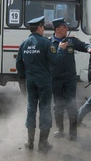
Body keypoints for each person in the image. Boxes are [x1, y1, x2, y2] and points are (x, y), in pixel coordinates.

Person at [16, 16, 66, 154]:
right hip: (44, 81)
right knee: (44, 109)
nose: (44, 29)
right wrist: (60, 49)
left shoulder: (24, 43)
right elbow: (55, 60)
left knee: (31, 108)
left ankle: (30, 142)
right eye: (43, 27)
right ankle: (43, 143)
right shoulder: (45, 43)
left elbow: (19, 64)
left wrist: (26, 76)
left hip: (30, 81)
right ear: (39, 27)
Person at [50, 17, 91, 141]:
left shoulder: (71, 40)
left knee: (71, 105)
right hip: (56, 79)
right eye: (64, 27)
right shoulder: (49, 43)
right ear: (57, 29)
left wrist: (89, 48)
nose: (67, 29)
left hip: (70, 79)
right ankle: (60, 129)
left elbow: (83, 45)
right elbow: (49, 61)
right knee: (58, 106)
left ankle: (73, 132)